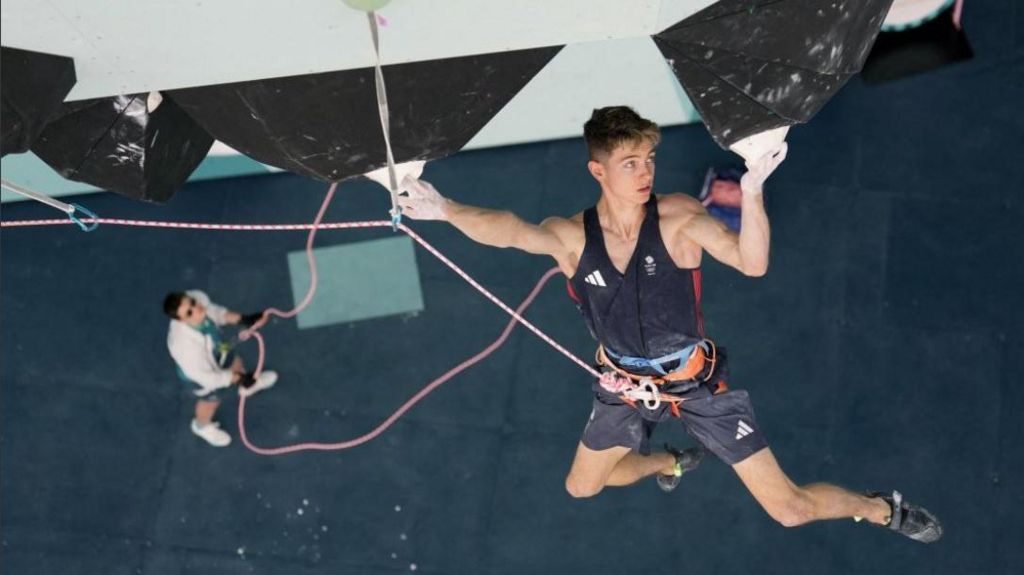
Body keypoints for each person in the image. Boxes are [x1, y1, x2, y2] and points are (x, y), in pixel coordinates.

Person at [394, 106, 942, 542]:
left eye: (650, 157)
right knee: (582, 487)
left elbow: (751, 262)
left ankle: (879, 509)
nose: (646, 171)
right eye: (631, 162)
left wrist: (751, 194)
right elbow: (509, 230)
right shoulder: (573, 238)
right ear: (598, 170)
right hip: (625, 388)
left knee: (790, 511)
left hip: (696, 385)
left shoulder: (677, 218)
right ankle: (674, 461)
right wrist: (444, 208)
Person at [163, 290, 278, 447]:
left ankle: (247, 386)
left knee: (236, 362)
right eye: (189, 312)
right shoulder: (186, 349)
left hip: (216, 351)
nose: (197, 308)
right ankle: (201, 426)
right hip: (201, 377)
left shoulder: (199, 308)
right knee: (211, 401)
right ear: (182, 320)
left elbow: (215, 312)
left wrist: (244, 319)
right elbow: (208, 378)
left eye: (192, 302)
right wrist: (237, 377)